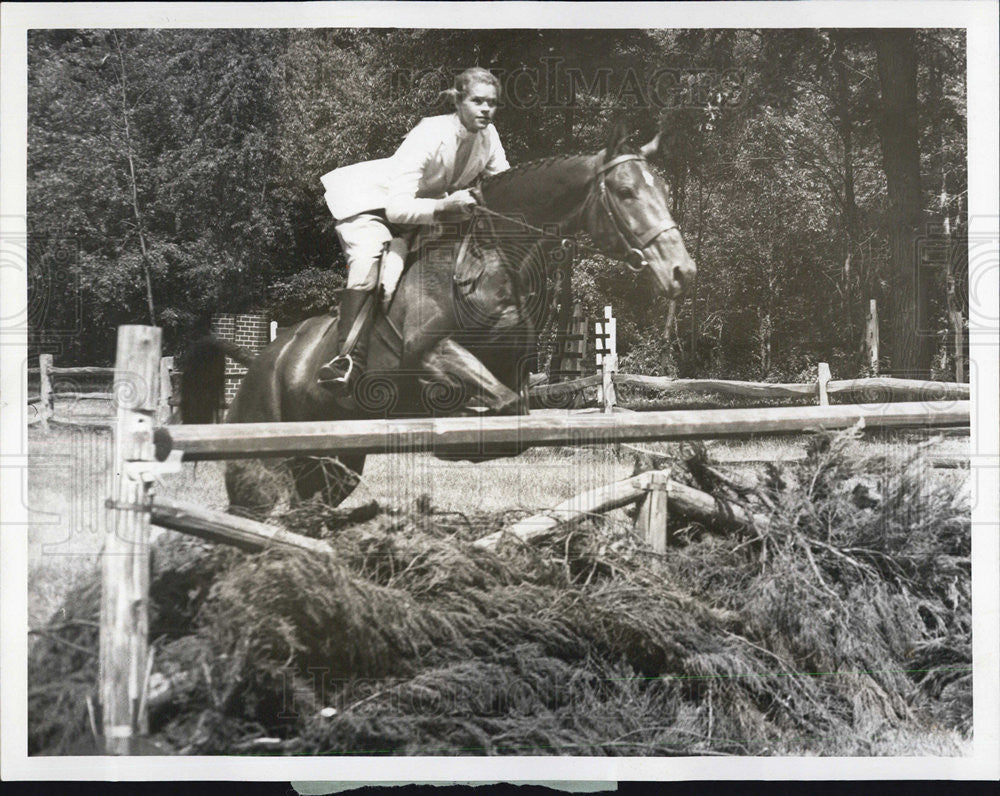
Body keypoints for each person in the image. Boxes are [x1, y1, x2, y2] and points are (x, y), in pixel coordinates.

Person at [318, 66, 510, 391]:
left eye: (492, 103)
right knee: (367, 264)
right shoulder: (429, 133)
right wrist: (445, 207)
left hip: (425, 210)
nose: (486, 109)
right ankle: (346, 360)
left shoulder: (488, 137)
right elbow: (397, 208)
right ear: (459, 101)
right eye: (478, 101)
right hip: (373, 204)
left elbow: (505, 185)